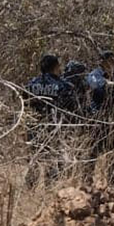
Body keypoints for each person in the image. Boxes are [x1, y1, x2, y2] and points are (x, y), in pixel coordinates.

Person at [23, 54, 75, 187]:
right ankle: (50, 188)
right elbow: (69, 107)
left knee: (34, 158)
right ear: (55, 67)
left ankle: (29, 188)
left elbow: (25, 102)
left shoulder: (31, 84)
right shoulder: (63, 85)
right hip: (53, 127)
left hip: (33, 125)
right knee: (54, 159)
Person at [85, 49, 114, 188]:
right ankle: (87, 181)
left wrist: (111, 85)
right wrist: (111, 86)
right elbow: (98, 87)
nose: (113, 63)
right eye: (110, 60)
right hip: (97, 118)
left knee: (112, 151)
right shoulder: (94, 75)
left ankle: (112, 180)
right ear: (102, 62)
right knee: (93, 150)